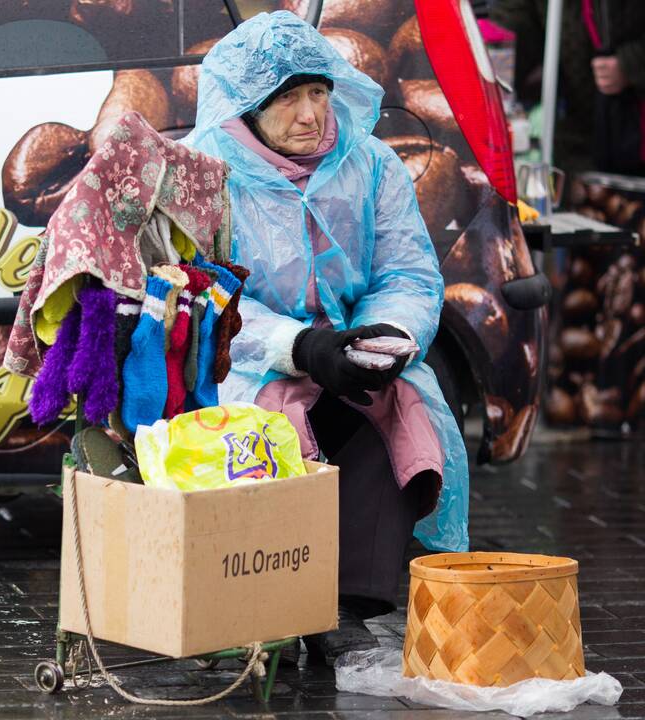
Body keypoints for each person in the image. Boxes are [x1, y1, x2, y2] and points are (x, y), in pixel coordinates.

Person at [186, 11, 469, 665]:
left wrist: (383, 338)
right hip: (249, 363)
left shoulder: (370, 165)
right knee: (269, 430)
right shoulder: (206, 177)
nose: (310, 113)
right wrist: (300, 347)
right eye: (288, 97)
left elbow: (405, 271)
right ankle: (275, 593)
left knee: (405, 404)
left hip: (348, 349)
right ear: (247, 106)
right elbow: (207, 294)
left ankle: (349, 597)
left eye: (318, 92)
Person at [491, 0, 645, 175]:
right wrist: (490, 52)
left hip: (635, 124)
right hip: (577, 131)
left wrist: (630, 63)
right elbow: (516, 22)